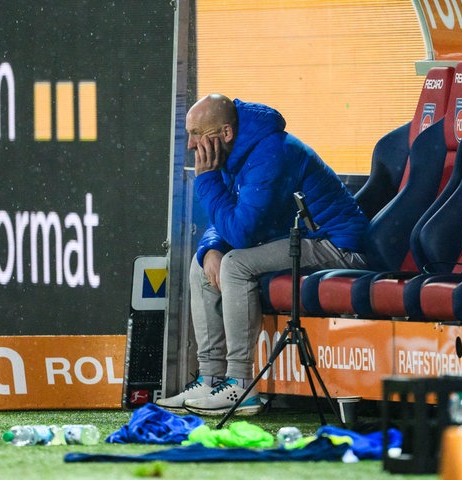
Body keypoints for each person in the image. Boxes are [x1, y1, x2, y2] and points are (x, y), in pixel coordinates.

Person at [156, 94, 369, 415]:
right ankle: (211, 378)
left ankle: (242, 386)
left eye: (197, 133)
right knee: (202, 265)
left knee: (235, 265)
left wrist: (207, 179)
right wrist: (210, 247)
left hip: (338, 245)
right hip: (296, 237)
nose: (190, 144)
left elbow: (243, 231)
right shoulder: (235, 149)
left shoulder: (270, 154)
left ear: (226, 132)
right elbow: (230, 216)